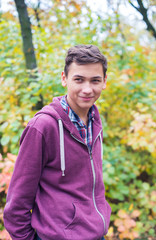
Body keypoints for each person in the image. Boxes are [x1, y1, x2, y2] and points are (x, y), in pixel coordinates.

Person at [3, 44, 111, 240]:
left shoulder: (95, 120)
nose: (87, 89)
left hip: (96, 234)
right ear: (64, 78)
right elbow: (16, 204)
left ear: (104, 81)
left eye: (95, 80)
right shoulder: (43, 126)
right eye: (79, 79)